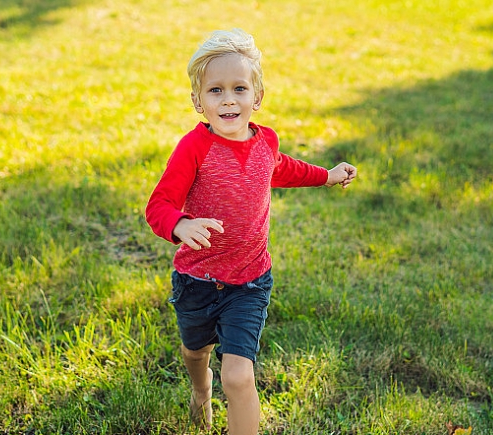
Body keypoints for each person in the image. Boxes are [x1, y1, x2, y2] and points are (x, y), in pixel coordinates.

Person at [145, 28, 357, 435]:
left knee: (239, 376)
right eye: (215, 91)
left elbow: (285, 168)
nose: (228, 99)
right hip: (197, 281)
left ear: (256, 97)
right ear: (198, 101)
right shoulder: (194, 148)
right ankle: (200, 391)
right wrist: (181, 224)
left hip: (249, 281)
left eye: (239, 88)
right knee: (196, 352)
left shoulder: (265, 142)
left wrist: (326, 176)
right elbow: (159, 206)